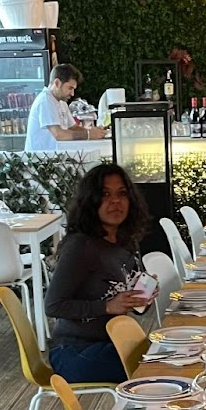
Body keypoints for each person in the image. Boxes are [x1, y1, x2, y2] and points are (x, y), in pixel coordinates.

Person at [45, 163, 151, 383]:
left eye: (122, 194)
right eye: (105, 194)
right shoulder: (81, 246)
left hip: (114, 342)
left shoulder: (125, 241)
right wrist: (107, 306)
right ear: (91, 202)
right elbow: (53, 305)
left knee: (166, 359)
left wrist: (143, 296)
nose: (115, 201)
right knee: (155, 369)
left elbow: (135, 306)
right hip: (75, 352)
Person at [25, 64, 105, 152]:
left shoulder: (62, 102)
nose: (72, 94)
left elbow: (73, 127)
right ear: (57, 83)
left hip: (55, 156)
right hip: (40, 158)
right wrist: (88, 134)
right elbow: (59, 135)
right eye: (70, 88)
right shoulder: (45, 101)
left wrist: (96, 133)